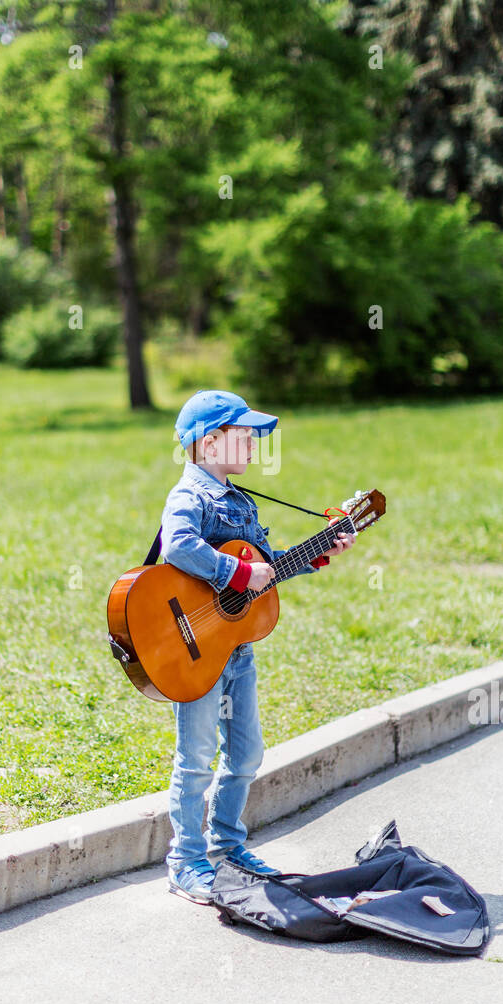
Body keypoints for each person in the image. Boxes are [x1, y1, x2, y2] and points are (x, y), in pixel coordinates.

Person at [159, 388, 356, 905]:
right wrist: (236, 571)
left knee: (246, 754)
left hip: (237, 652)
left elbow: (265, 571)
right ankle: (186, 861)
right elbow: (179, 545)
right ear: (207, 443)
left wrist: (317, 551)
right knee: (197, 757)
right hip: (196, 649)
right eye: (242, 435)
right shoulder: (190, 497)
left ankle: (227, 847)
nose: (252, 445)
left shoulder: (243, 502)